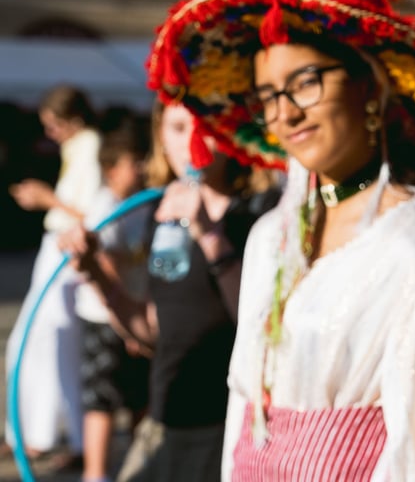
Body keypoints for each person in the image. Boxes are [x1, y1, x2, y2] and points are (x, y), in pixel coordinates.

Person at [146, 0, 415, 480]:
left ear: (368, 87)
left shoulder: (414, 253)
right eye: (269, 96)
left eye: (305, 82)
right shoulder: (266, 238)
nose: (286, 113)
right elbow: (243, 404)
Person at [60, 100, 279, 482]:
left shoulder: (258, 215)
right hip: (165, 421)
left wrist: (210, 235)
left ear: (229, 136)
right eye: (178, 129)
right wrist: (94, 272)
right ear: (161, 135)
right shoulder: (161, 215)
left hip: (223, 428)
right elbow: (155, 331)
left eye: (205, 131)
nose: (191, 146)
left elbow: (263, 328)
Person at [6, 84, 102, 468]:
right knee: (38, 345)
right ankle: (36, 434)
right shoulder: (78, 148)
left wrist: (47, 199)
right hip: (57, 249)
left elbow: (91, 214)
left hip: (67, 252)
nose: (50, 133)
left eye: (54, 124)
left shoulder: (91, 146)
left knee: (55, 346)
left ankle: (59, 438)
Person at [59, 109, 152, 482]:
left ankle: (142, 465)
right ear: (111, 168)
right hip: (105, 317)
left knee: (137, 397)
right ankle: (96, 473)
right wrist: (130, 322)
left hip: (130, 314)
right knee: (102, 399)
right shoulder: (106, 206)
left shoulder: (141, 205)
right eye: (134, 162)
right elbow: (109, 263)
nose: (142, 167)